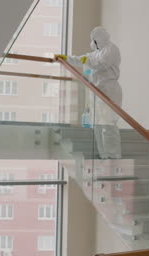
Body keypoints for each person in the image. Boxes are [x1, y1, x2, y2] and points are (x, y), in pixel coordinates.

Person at [55, 26, 122, 159]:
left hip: (109, 91)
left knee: (108, 124)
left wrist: (88, 61)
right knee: (97, 125)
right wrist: (66, 58)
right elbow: (82, 59)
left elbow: (102, 64)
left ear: (99, 39)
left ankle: (113, 154)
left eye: (94, 40)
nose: (93, 43)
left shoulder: (111, 49)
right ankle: (104, 154)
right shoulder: (97, 52)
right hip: (97, 91)